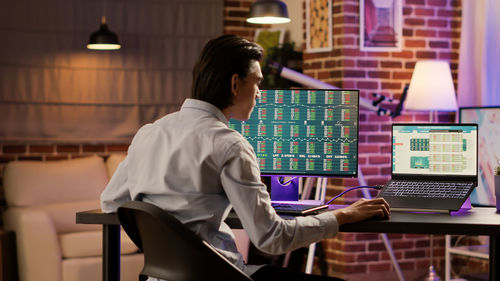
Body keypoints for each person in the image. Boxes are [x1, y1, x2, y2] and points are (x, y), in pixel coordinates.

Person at [100, 34, 390, 281]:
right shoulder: (229, 144)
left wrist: (173, 227)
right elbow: (271, 238)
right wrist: (342, 215)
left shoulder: (149, 133)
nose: (260, 94)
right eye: (257, 82)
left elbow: (111, 203)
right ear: (235, 83)